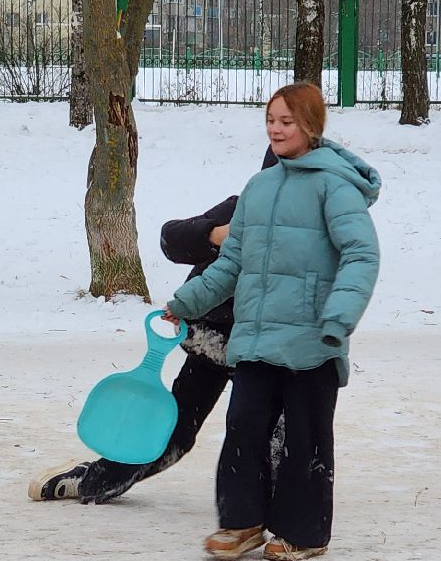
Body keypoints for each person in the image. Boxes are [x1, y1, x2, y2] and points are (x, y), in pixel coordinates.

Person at [165, 82, 380, 561]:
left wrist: (339, 317)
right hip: (257, 336)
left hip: (311, 337)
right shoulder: (259, 189)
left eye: (287, 121)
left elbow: (361, 255)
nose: (277, 129)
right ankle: (242, 524)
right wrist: (187, 301)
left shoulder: (334, 187)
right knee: (243, 425)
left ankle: (304, 533)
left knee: (305, 436)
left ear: (310, 126)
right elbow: (231, 263)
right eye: (271, 120)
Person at [28, 150, 285, 504]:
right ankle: (93, 479)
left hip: (266, 354)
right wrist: (214, 235)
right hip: (213, 341)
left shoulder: (313, 231)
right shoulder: (239, 211)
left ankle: (279, 512)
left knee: (271, 434)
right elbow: (172, 239)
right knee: (172, 438)